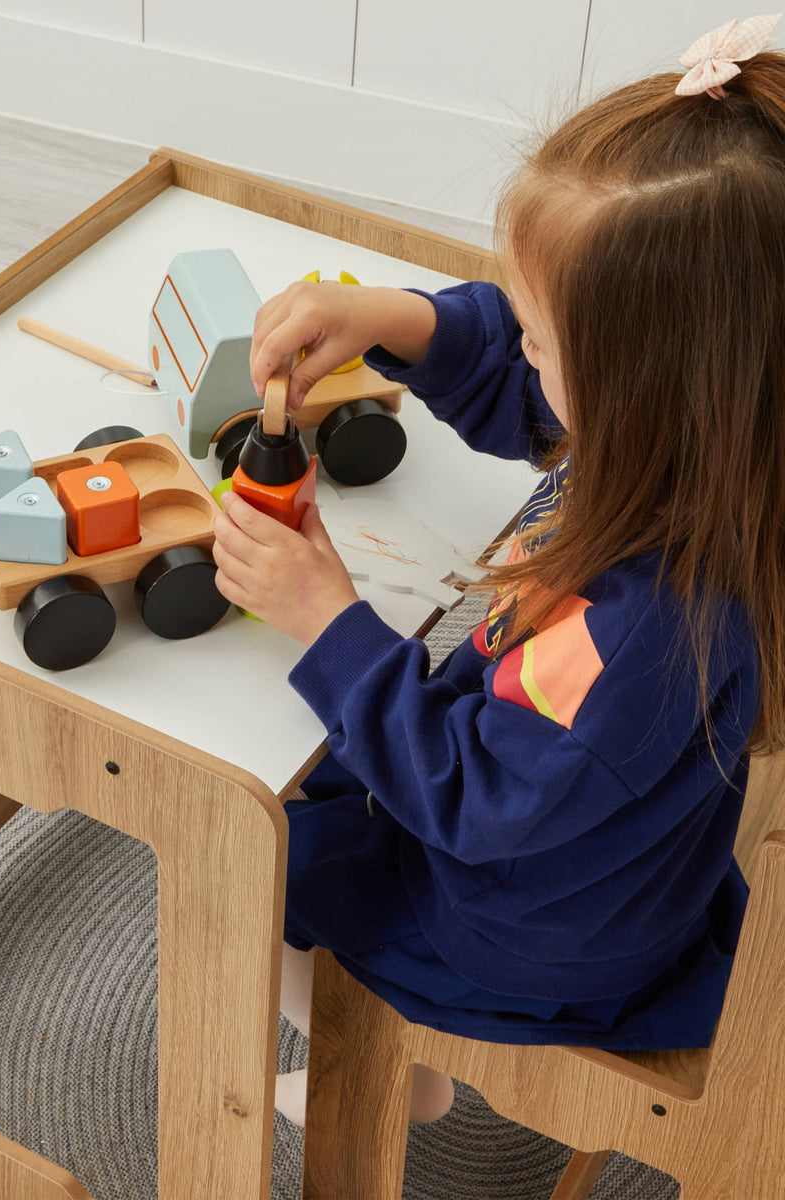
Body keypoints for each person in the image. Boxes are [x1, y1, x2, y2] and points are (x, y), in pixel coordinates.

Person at [213, 21, 785, 1127]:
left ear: (647, 386)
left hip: (527, 935)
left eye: (535, 336)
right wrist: (395, 319)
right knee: (323, 761)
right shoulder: (706, 456)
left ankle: (394, 1069)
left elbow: (477, 798)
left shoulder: (654, 626)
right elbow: (533, 401)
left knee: (257, 850)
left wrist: (325, 619)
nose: (518, 349)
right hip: (586, 852)